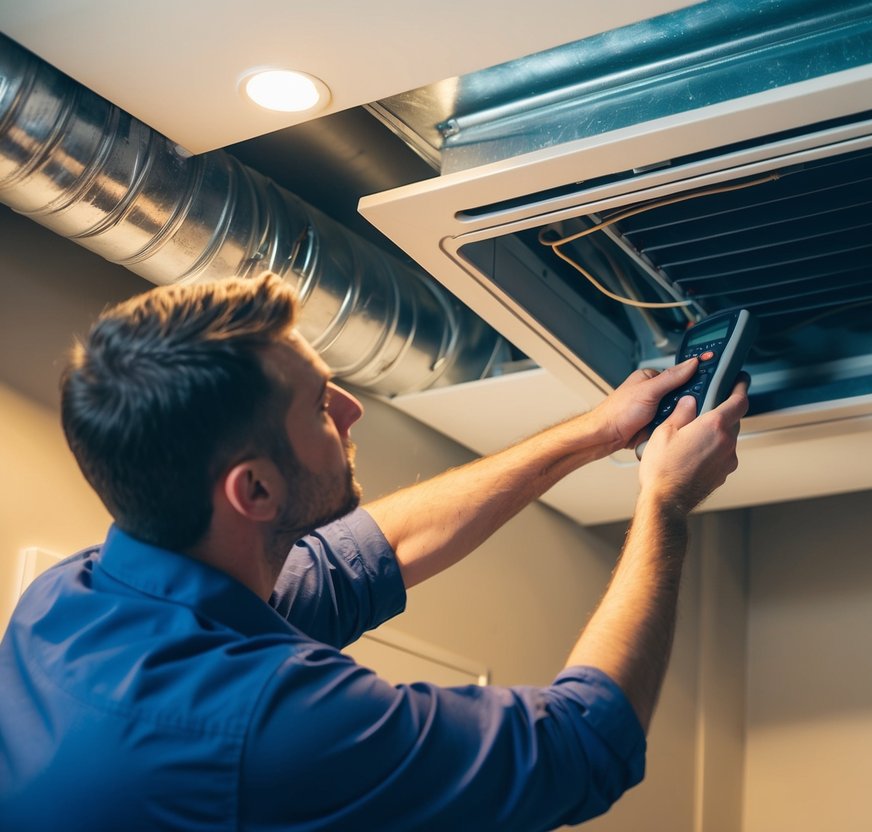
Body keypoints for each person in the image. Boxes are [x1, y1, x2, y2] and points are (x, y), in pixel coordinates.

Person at [0, 272, 748, 830]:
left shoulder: (72, 599)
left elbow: (357, 559)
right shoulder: (261, 727)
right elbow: (580, 748)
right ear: (253, 492)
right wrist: (664, 505)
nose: (352, 407)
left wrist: (597, 433)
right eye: (322, 406)